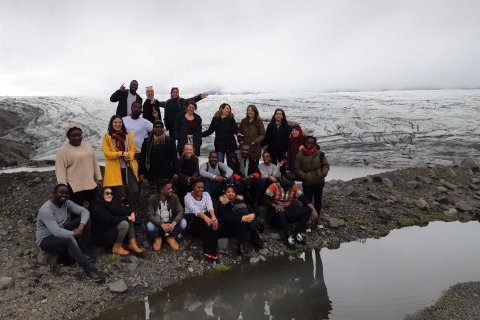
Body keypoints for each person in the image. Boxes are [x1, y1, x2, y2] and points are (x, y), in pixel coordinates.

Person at [36, 184, 105, 283]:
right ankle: (90, 270)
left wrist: (80, 227)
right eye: (61, 192)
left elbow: (84, 211)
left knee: (85, 219)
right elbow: (56, 231)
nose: (64, 195)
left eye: (66, 193)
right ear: (54, 194)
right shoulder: (46, 209)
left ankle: (83, 252)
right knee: (68, 240)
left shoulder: (66, 203)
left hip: (61, 230)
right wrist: (73, 233)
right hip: (46, 239)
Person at [264, 172, 318, 249]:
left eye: (290, 184)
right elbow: (265, 200)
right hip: (275, 214)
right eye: (287, 184)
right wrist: (275, 205)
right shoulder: (273, 186)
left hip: (288, 211)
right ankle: (288, 237)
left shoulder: (294, 187)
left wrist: (313, 209)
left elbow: (304, 199)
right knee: (280, 211)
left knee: (307, 209)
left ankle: (296, 233)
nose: (289, 186)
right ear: (282, 182)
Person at [55, 124, 102, 207]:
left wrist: (99, 178)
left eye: (79, 135)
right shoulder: (63, 151)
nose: (77, 138)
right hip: (74, 188)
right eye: (73, 136)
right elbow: (60, 171)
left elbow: (94, 163)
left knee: (96, 208)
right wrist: (63, 187)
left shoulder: (88, 146)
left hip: (91, 184)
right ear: (68, 137)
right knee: (77, 212)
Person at [102, 115, 140, 209]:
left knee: (134, 190)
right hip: (114, 168)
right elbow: (107, 154)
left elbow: (132, 149)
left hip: (127, 166)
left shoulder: (128, 135)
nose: (118, 124)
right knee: (117, 192)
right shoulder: (107, 137)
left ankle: (132, 211)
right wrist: (121, 153)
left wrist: (129, 155)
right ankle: (116, 211)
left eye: (120, 122)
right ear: (111, 124)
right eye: (115, 122)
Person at [91, 187, 143, 255]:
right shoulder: (98, 207)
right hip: (101, 236)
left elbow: (118, 211)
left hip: (108, 230)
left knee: (128, 219)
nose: (110, 195)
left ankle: (132, 243)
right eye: (107, 193)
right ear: (102, 195)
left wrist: (131, 212)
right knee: (124, 223)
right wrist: (127, 218)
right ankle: (117, 247)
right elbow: (110, 220)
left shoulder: (108, 204)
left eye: (111, 193)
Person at [218, 185, 264, 256]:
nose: (231, 193)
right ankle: (241, 245)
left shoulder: (239, 199)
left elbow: (250, 208)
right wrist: (242, 218)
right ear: (225, 193)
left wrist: (253, 214)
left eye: (233, 191)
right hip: (228, 226)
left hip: (242, 222)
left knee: (246, 216)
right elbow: (227, 217)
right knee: (242, 221)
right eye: (228, 192)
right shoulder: (223, 202)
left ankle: (255, 236)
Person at [184, 180, 219, 261]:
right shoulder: (187, 197)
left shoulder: (206, 194)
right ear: (193, 187)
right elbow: (194, 210)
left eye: (202, 187)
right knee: (204, 219)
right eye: (198, 187)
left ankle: (213, 251)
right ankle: (207, 251)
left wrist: (213, 217)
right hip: (192, 221)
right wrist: (206, 218)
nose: (200, 189)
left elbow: (210, 206)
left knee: (214, 220)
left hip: (206, 222)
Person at [294, 136, 330, 217]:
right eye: (307, 142)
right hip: (307, 182)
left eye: (311, 143)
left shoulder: (320, 154)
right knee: (307, 201)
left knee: (318, 201)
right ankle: (305, 219)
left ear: (314, 144)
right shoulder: (299, 155)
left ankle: (316, 218)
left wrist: (323, 173)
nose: (309, 144)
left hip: (319, 181)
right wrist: (304, 176)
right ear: (304, 143)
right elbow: (297, 168)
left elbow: (326, 165)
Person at [147, 180, 187, 251]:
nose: (171, 190)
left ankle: (171, 237)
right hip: (159, 224)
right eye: (168, 188)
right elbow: (150, 214)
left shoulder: (174, 197)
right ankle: (157, 238)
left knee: (184, 222)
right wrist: (161, 224)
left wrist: (174, 223)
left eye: (171, 188)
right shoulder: (152, 198)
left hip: (171, 223)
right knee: (150, 226)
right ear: (162, 190)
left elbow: (181, 211)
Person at [139, 120, 178, 188]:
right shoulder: (147, 141)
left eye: (160, 127)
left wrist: (176, 172)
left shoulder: (170, 141)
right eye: (156, 127)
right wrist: (141, 173)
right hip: (151, 173)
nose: (158, 129)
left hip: (166, 172)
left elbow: (174, 158)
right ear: (153, 128)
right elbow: (142, 158)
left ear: (163, 128)